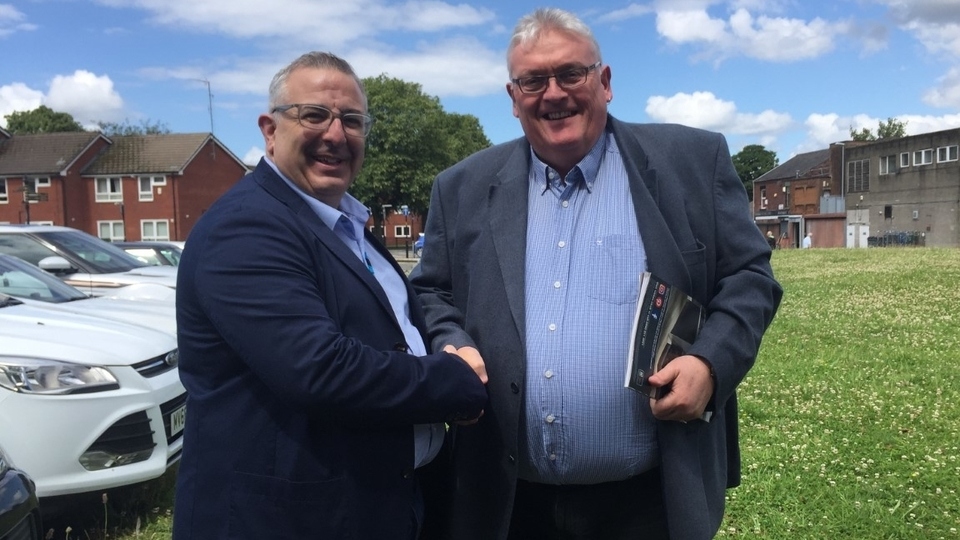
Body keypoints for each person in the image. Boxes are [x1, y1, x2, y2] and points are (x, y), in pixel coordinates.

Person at [410, 8, 782, 540]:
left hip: (649, 501)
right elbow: (430, 291)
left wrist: (711, 363)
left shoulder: (692, 161)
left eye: (570, 74)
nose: (553, 94)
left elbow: (750, 275)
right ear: (514, 99)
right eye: (533, 81)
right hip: (509, 501)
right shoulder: (461, 186)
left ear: (604, 82)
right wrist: (449, 341)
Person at [172, 51, 488, 539]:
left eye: (353, 121)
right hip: (285, 520)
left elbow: (401, 323)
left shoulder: (347, 224)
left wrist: (450, 338)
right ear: (270, 130)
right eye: (314, 115)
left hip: (377, 506)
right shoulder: (246, 227)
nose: (336, 135)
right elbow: (320, 370)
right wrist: (455, 383)